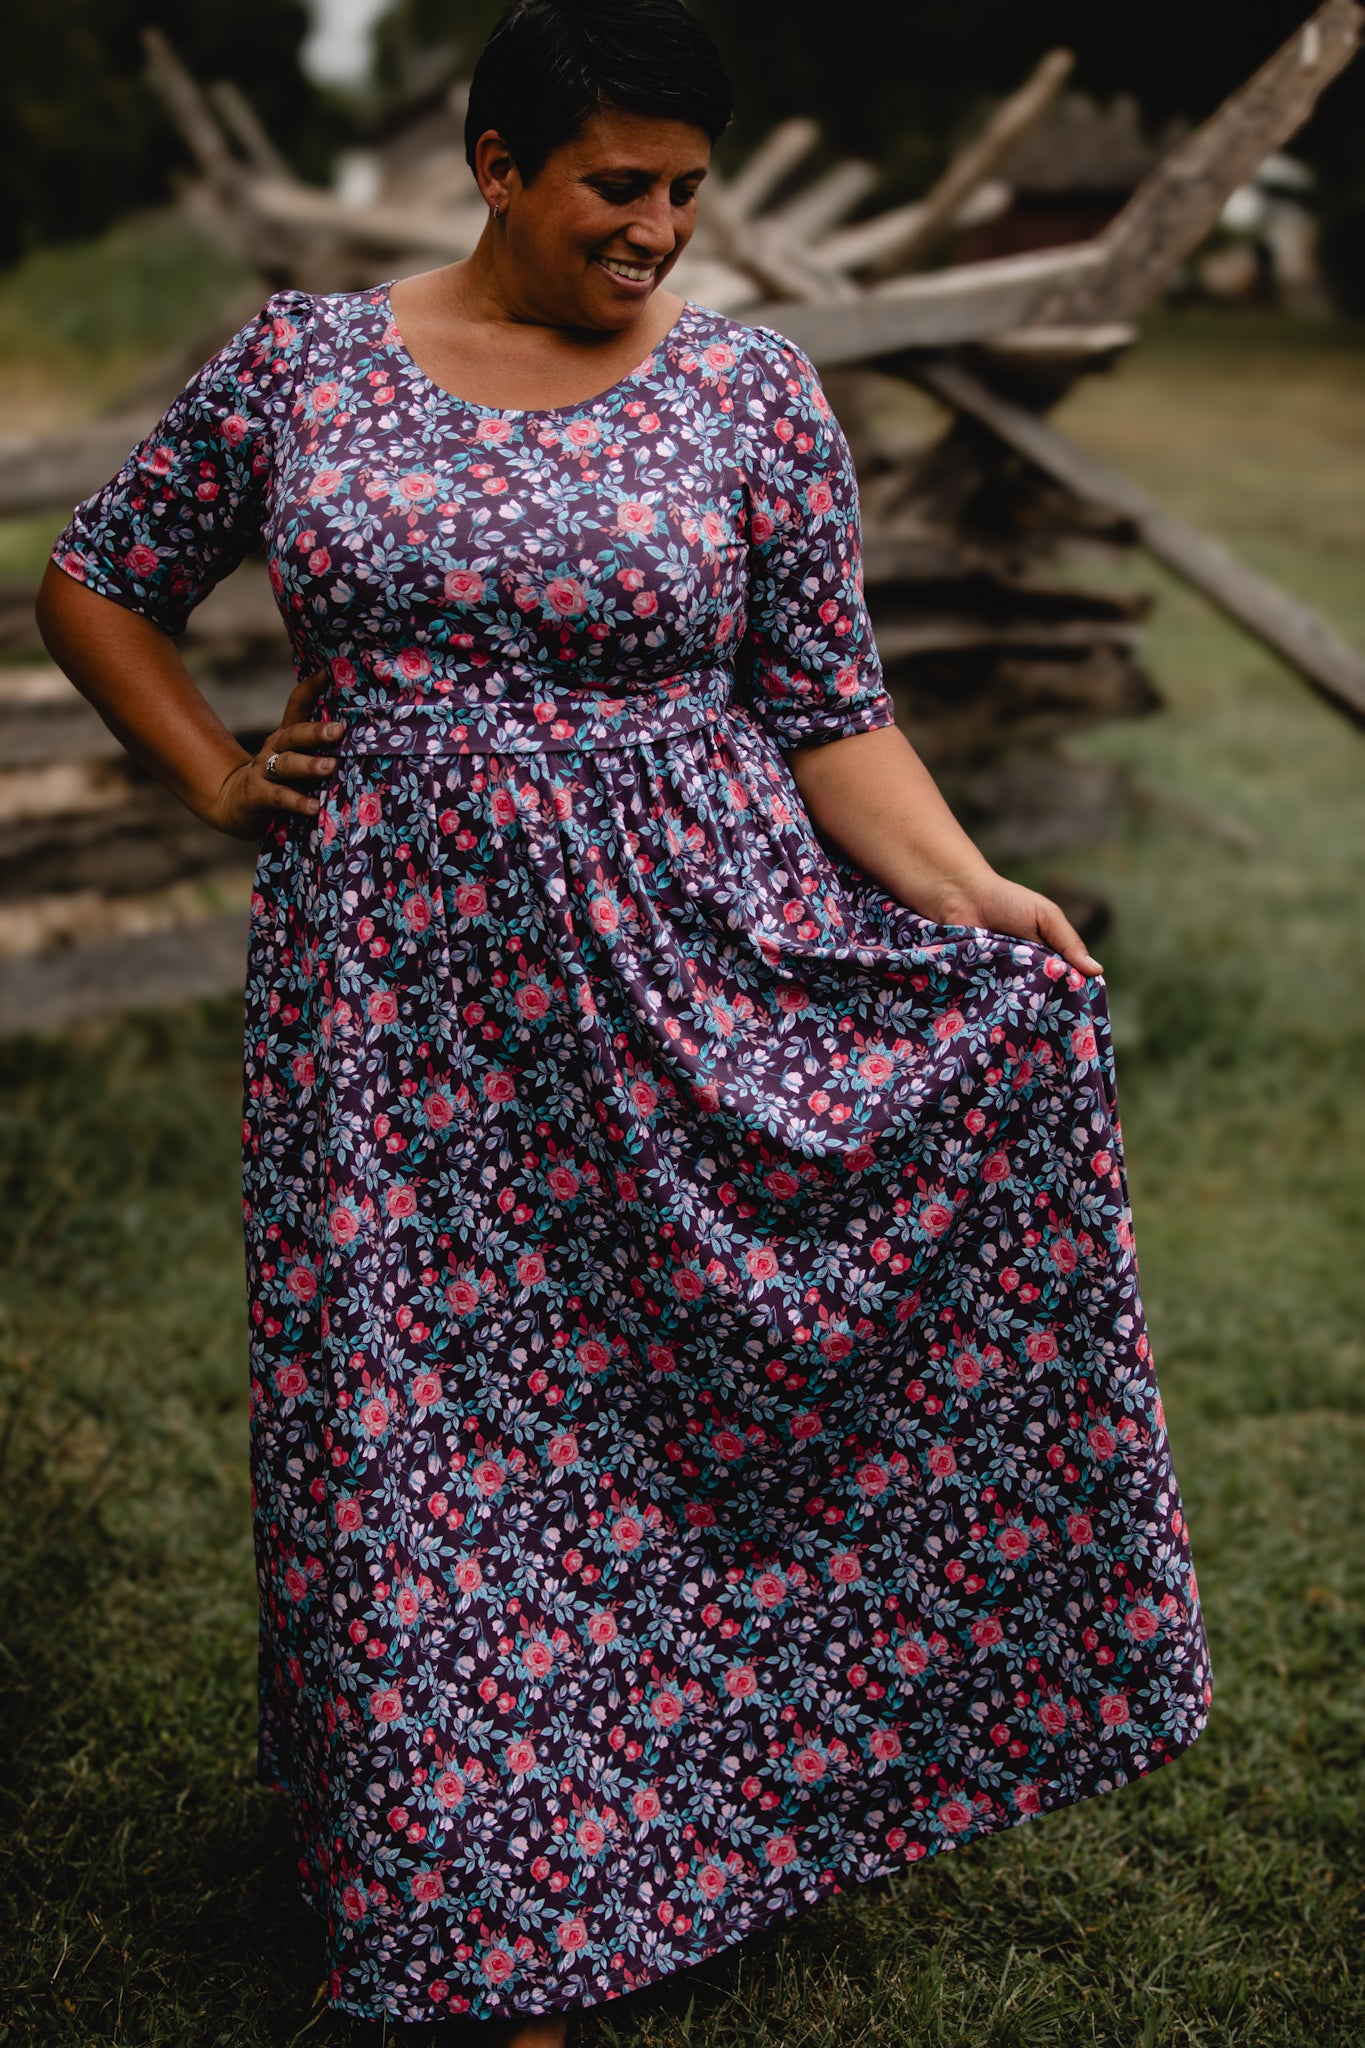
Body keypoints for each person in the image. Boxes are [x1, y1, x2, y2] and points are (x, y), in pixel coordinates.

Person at [36, 1, 1211, 2040]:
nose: (659, 224)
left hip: (689, 978)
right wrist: (221, 782)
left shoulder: (748, 395)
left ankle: (699, 1812)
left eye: (685, 185)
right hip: (386, 1008)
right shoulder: (306, 360)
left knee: (651, 1410)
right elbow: (99, 576)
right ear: (494, 166)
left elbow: (832, 713)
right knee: (418, 1426)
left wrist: (975, 896)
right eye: (615, 183)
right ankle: (470, 1899)